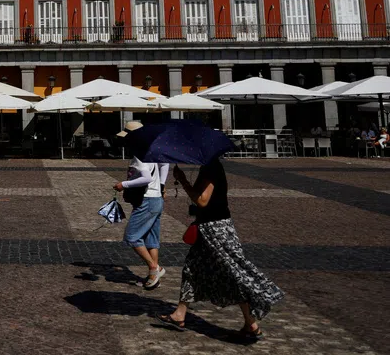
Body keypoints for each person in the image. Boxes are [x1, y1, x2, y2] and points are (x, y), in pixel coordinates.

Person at [156, 160, 283, 341]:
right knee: (192, 268)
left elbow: (202, 200)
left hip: (217, 229)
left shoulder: (211, 167)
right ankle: (179, 314)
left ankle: (253, 319)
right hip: (207, 227)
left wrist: (183, 181)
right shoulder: (207, 167)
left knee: (234, 273)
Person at [114, 122, 169, 290]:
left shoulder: (139, 155)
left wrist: (123, 184)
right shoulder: (152, 151)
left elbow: (146, 178)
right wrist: (161, 186)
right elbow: (165, 164)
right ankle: (153, 277)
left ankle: (155, 268)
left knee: (131, 236)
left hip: (147, 201)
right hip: (156, 199)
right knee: (152, 239)